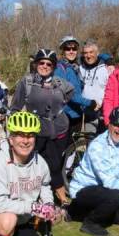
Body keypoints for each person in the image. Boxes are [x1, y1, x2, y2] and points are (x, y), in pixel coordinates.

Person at [68, 106, 119, 236]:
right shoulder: (97, 146)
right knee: (116, 196)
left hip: (102, 190)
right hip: (84, 189)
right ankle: (90, 224)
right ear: (109, 123)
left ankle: (75, 212)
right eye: (117, 124)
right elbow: (108, 182)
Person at [10, 49, 74, 204]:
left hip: (59, 129)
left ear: (53, 66)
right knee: (38, 165)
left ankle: (55, 198)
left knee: (56, 164)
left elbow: (69, 94)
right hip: (36, 130)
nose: (45, 66)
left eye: (49, 64)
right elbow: (16, 107)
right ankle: (40, 198)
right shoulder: (27, 82)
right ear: (36, 63)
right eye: (41, 62)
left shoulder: (60, 83)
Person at [55, 35, 98, 133]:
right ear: (62, 50)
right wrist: (90, 103)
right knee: (66, 147)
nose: (71, 51)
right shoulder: (60, 68)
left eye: (74, 48)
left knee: (73, 146)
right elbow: (69, 94)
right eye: (67, 49)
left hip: (76, 114)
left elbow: (97, 57)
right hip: (66, 115)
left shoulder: (75, 67)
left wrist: (108, 60)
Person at [78, 40, 112, 133]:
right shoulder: (80, 67)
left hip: (104, 113)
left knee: (104, 142)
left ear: (97, 53)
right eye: (85, 53)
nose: (88, 56)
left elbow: (112, 90)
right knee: (90, 141)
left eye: (91, 52)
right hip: (88, 112)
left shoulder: (107, 68)